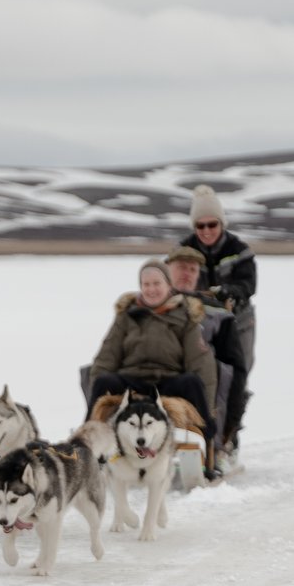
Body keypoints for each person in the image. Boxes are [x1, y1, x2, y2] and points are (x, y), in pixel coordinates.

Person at [84, 258, 220, 480]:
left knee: (192, 382)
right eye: (146, 284)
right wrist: (98, 381)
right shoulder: (127, 315)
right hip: (132, 379)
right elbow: (107, 356)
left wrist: (210, 407)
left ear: (168, 285)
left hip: (168, 380)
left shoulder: (184, 316)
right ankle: (88, 452)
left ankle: (207, 455)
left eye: (156, 283)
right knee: (104, 382)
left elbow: (200, 362)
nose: (151, 289)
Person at [178, 185, 257, 466]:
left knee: (237, 374)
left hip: (239, 321)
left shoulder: (239, 250)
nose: (206, 230)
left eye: (212, 224)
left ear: (221, 223)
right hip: (199, 320)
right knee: (200, 374)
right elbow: (172, 275)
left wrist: (229, 291)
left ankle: (228, 435)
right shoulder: (184, 249)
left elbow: (249, 283)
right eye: (200, 225)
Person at [165, 246, 247, 449]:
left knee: (223, 371)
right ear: (168, 270)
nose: (186, 274)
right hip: (155, 371)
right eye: (181, 268)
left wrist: (232, 422)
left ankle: (214, 443)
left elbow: (234, 364)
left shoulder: (216, 313)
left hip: (199, 377)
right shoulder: (151, 303)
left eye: (192, 270)